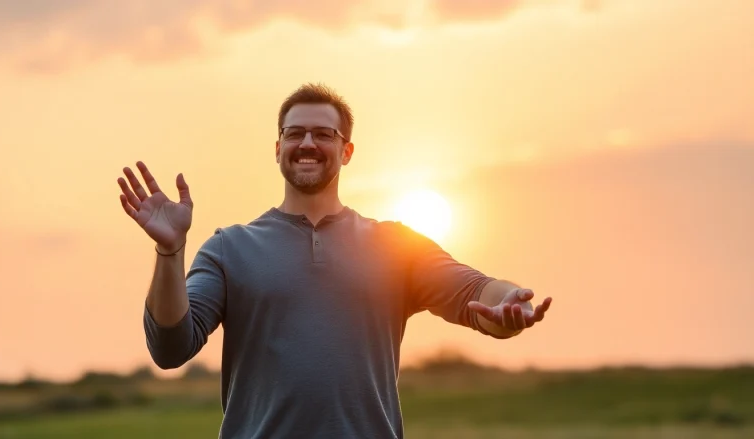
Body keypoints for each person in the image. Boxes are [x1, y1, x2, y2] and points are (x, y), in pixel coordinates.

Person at [117, 83, 552, 439]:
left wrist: (510, 304)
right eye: (295, 132)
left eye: (323, 134)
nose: (307, 143)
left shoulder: (396, 244)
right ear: (277, 147)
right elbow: (170, 347)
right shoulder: (229, 248)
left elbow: (477, 293)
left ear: (346, 151)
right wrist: (170, 251)